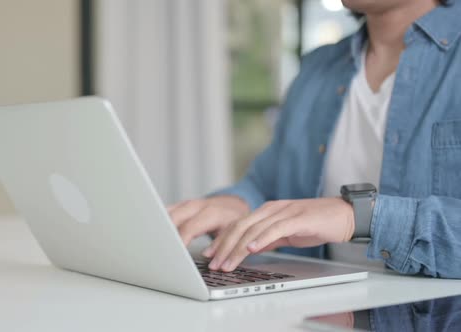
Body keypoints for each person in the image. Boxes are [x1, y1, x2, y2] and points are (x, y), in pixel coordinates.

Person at [168, 0, 461, 278]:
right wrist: (239, 204)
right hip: (316, 310)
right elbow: (268, 184)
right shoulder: (317, 69)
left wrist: (356, 217)